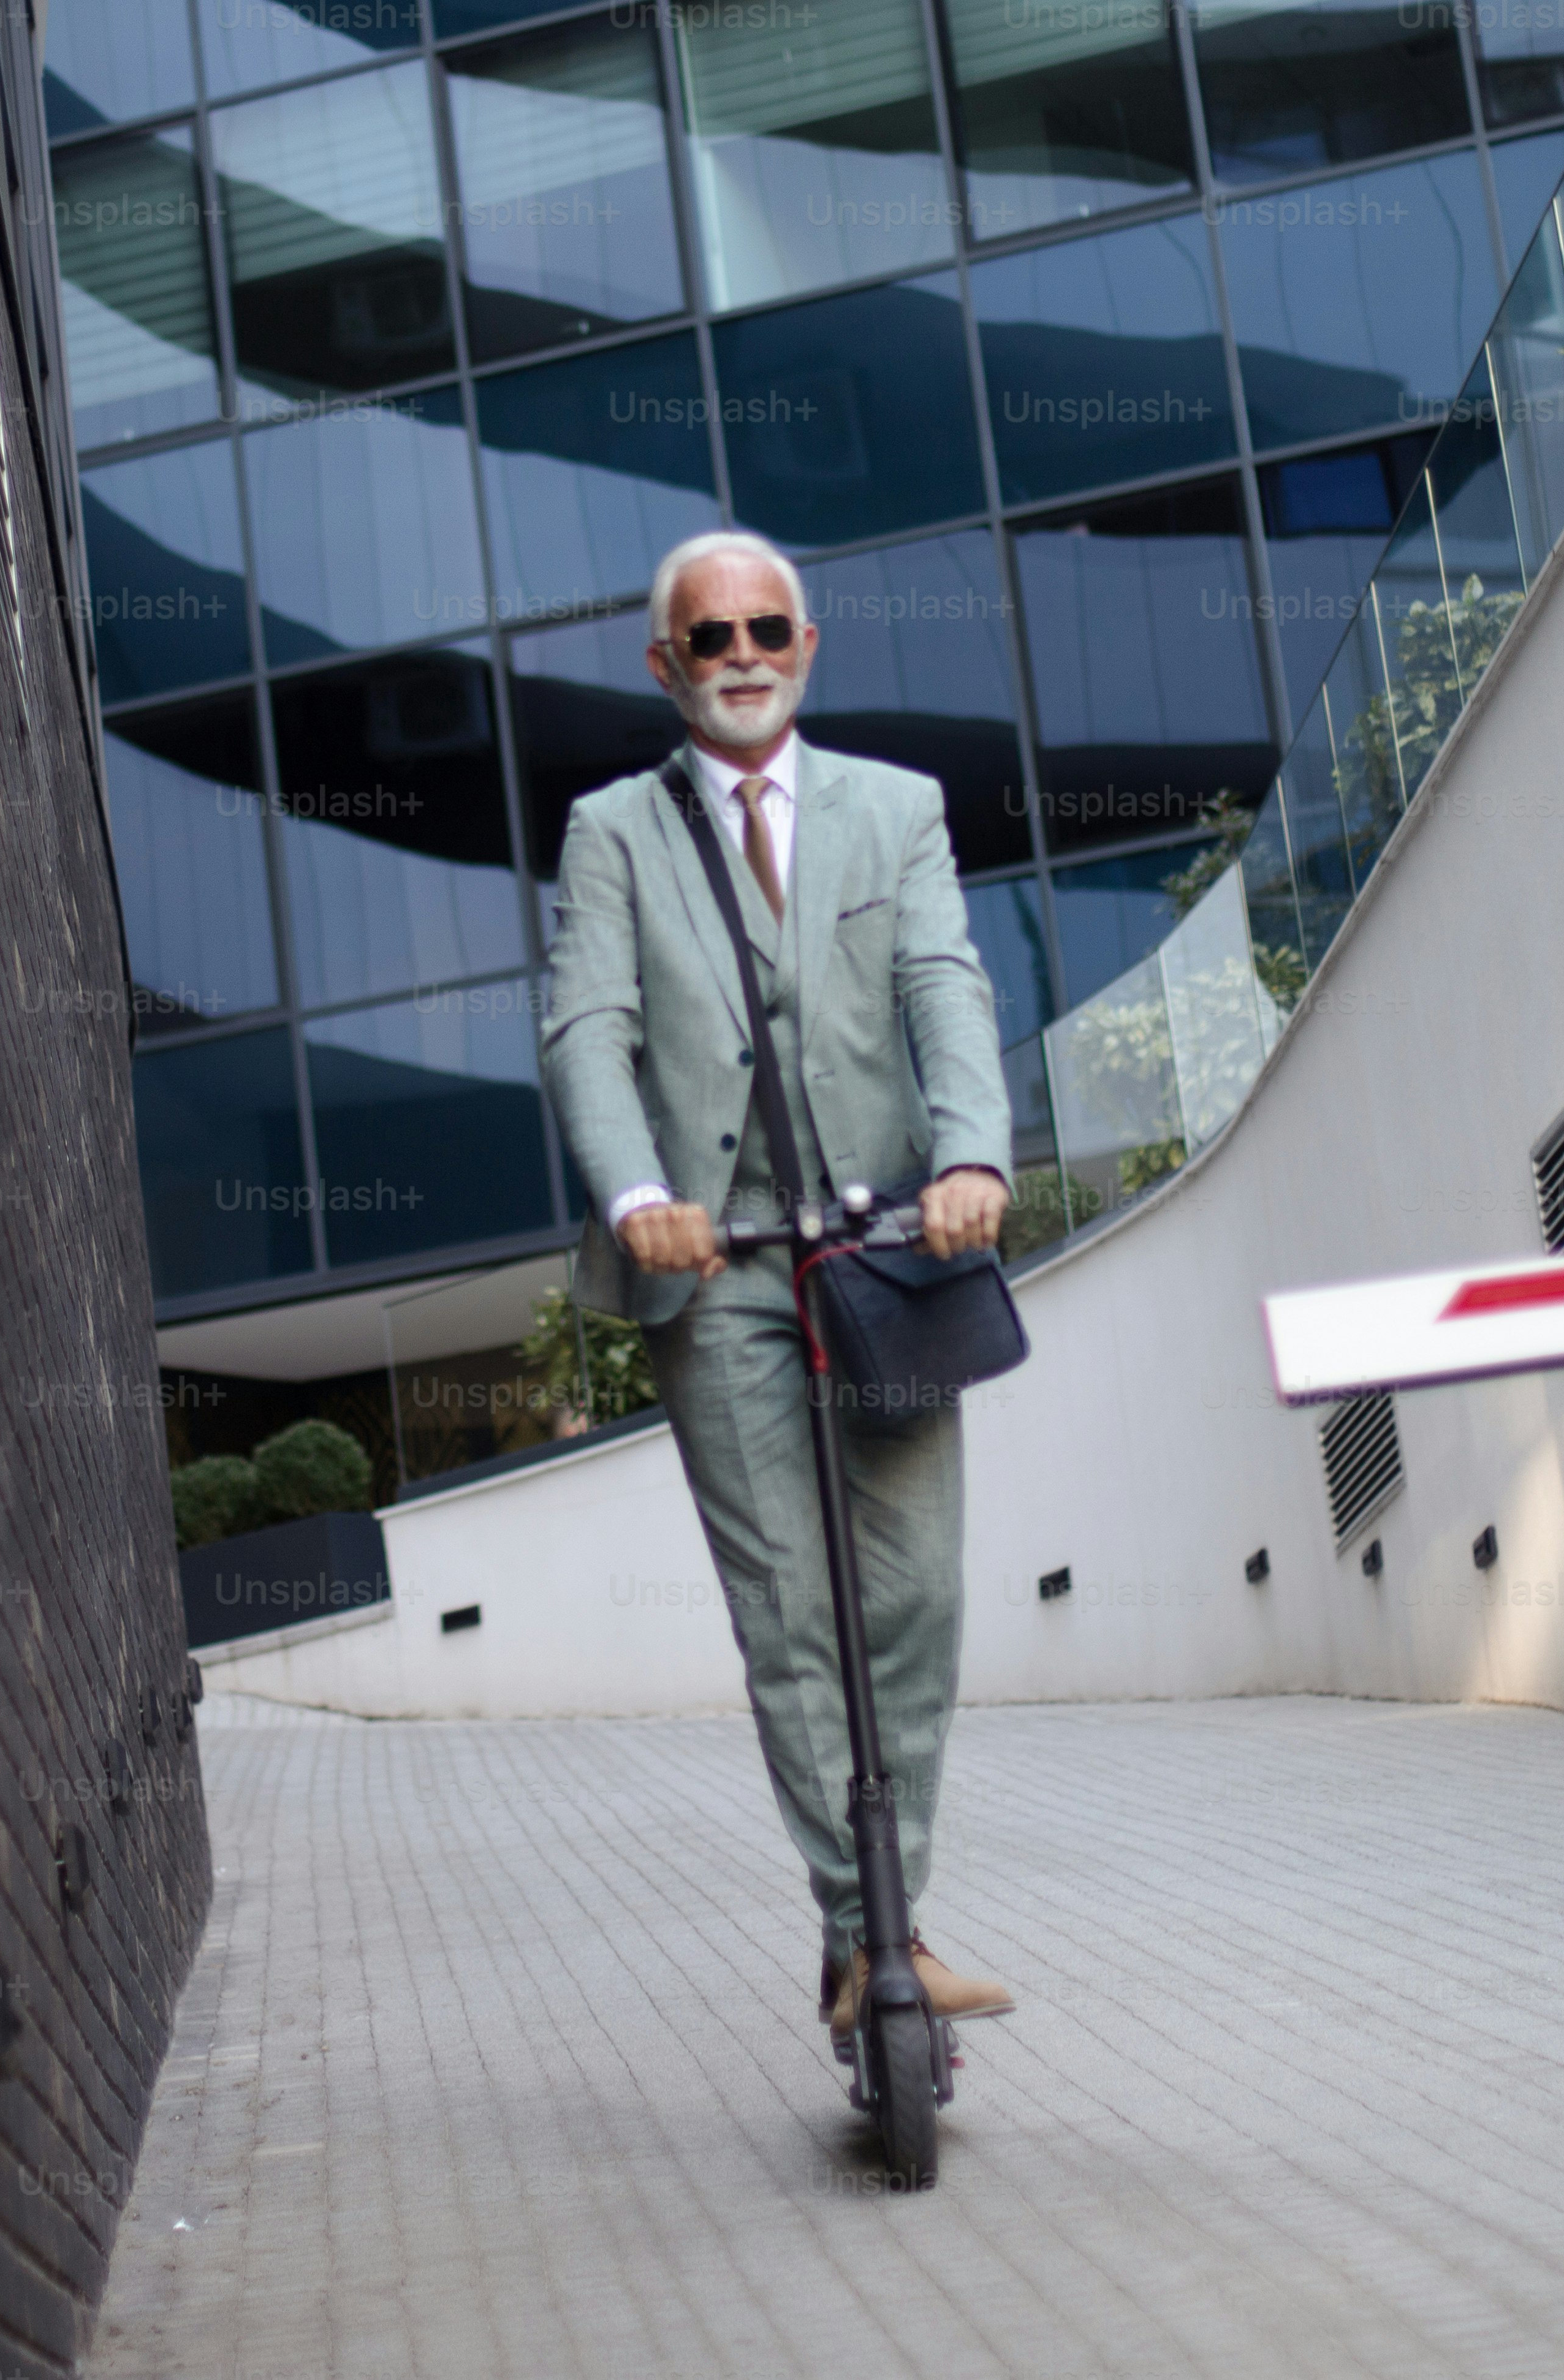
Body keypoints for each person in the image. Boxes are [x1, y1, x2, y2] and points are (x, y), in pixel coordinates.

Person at [542, 529, 1022, 2043]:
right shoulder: (613, 831)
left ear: (805, 647)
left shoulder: (898, 810)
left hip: (889, 1249)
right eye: (708, 638)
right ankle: (858, 1935)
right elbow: (586, 1031)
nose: (740, 654)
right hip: (719, 1261)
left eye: (765, 629)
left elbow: (944, 984)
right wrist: (638, 1202)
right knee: (787, 1616)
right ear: (665, 667)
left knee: (916, 1593)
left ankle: (898, 1914)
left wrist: (974, 1159)